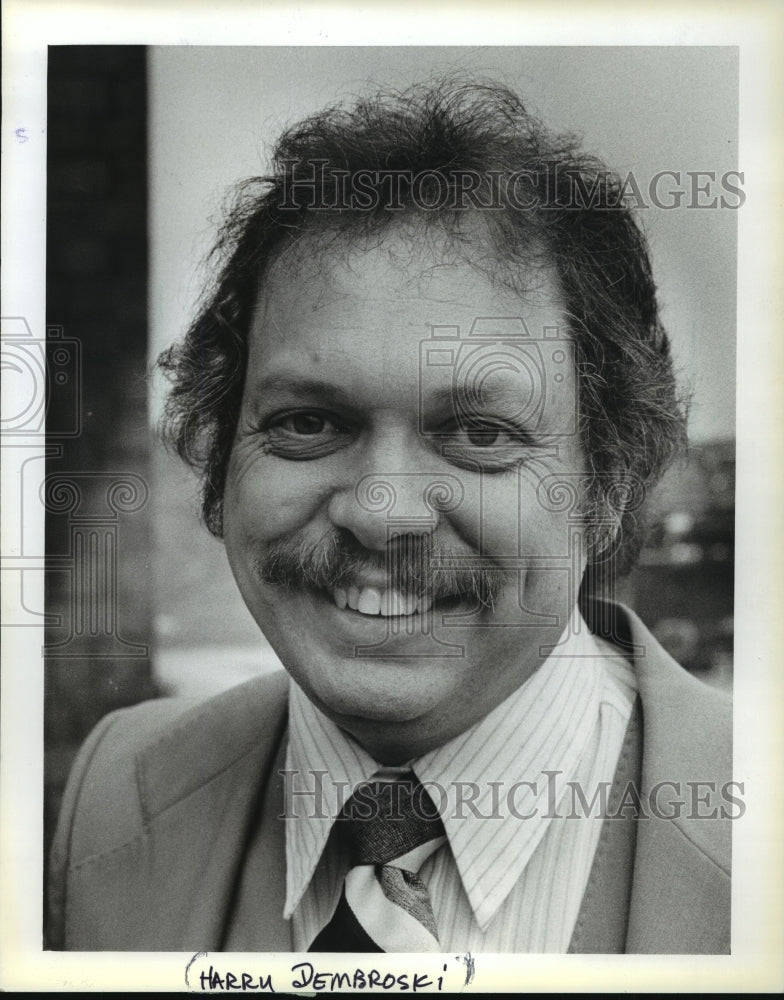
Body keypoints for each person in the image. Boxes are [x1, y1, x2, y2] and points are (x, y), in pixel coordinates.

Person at [47, 78, 732, 954]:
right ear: (220, 460)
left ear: (609, 477)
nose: (380, 514)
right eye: (307, 423)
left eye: (480, 433)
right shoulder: (117, 795)